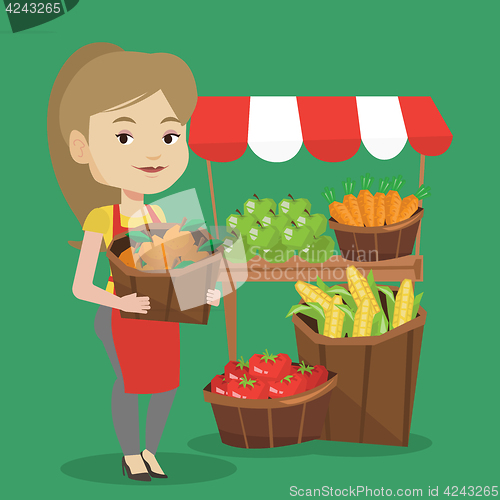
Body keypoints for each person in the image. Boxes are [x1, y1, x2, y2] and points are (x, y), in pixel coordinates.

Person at [48, 43, 221, 482]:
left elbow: (180, 269)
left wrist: (207, 289)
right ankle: (129, 454)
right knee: (131, 383)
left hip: (163, 315)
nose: (152, 154)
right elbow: (80, 286)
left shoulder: (167, 215)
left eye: (168, 136)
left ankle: (151, 450)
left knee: (166, 387)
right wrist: (121, 305)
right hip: (120, 316)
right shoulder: (101, 218)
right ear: (82, 148)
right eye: (124, 137)